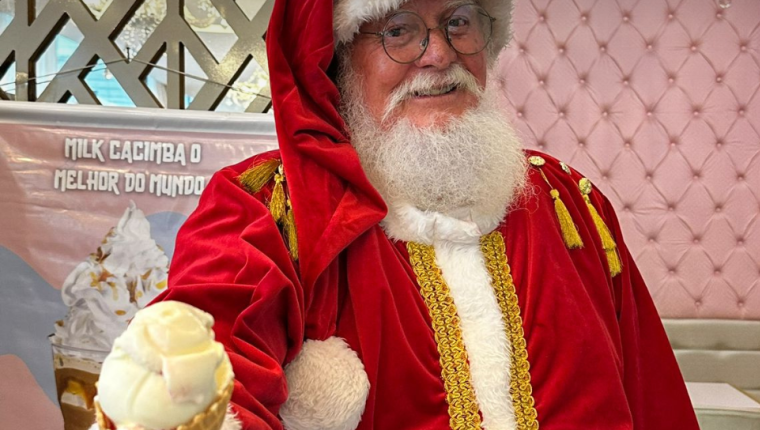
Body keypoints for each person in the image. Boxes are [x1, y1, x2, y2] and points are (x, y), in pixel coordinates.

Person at [155, 0, 701, 429]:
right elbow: (198, 373)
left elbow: (655, 400)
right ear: (338, 59)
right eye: (398, 30)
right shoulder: (269, 209)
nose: (439, 54)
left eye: (459, 22)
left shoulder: (570, 204)